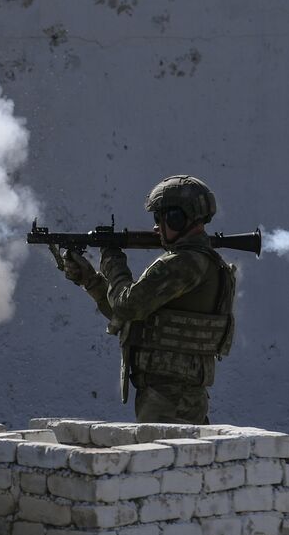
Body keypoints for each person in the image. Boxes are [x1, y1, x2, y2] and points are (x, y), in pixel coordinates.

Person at [60, 175, 236, 424]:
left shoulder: (183, 263)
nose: (156, 228)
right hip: (173, 395)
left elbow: (128, 306)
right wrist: (90, 281)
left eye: (160, 218)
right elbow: (139, 320)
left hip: (169, 400)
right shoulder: (201, 262)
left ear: (178, 217)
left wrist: (113, 263)